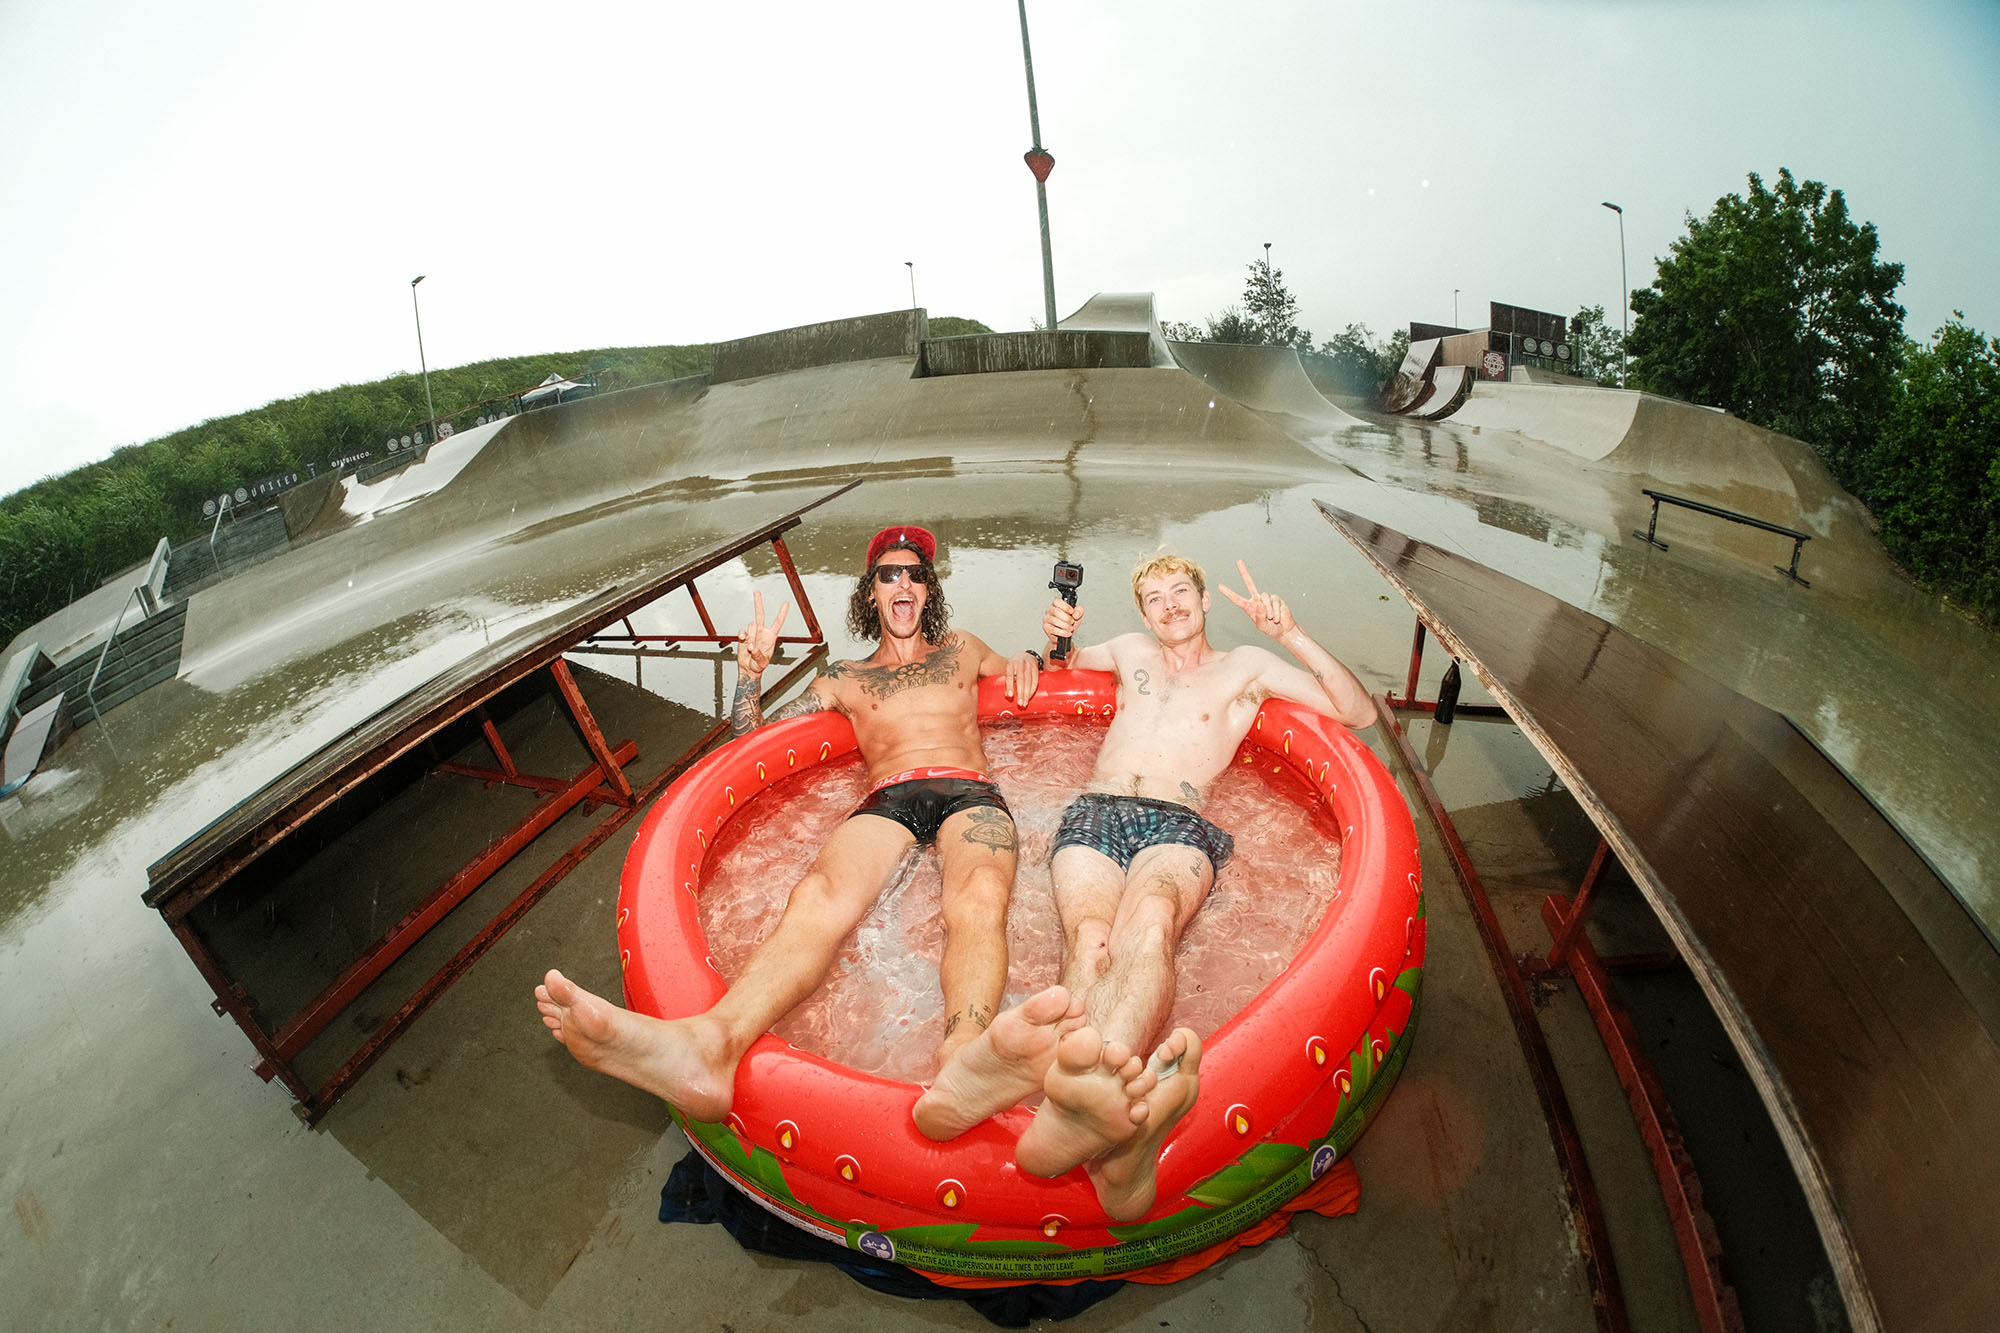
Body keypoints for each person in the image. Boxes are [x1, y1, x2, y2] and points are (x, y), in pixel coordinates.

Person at [913, 554, 1375, 1221]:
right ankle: (1080, 1099)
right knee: (1090, 936)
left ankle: (1085, 1092)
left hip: (1179, 820)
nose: (1168, 605)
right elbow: (1060, 666)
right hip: (1096, 809)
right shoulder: (1129, 651)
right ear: (1142, 613)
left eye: (1179, 591)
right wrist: (1055, 634)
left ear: (1203, 598)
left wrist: (1292, 632)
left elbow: (1355, 711)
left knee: (1150, 920)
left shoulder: (1247, 666)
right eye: (1153, 598)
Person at [536, 524, 1047, 1122]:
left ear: (928, 592)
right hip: (890, 794)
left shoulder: (962, 647)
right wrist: (749, 676)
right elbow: (756, 750)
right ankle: (711, 1045)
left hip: (970, 791)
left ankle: (964, 1060)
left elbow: (1028, 670)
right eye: (889, 574)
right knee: (819, 895)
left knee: (979, 895)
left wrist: (1042, 653)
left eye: (915, 573)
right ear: (871, 593)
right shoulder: (843, 678)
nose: (902, 581)